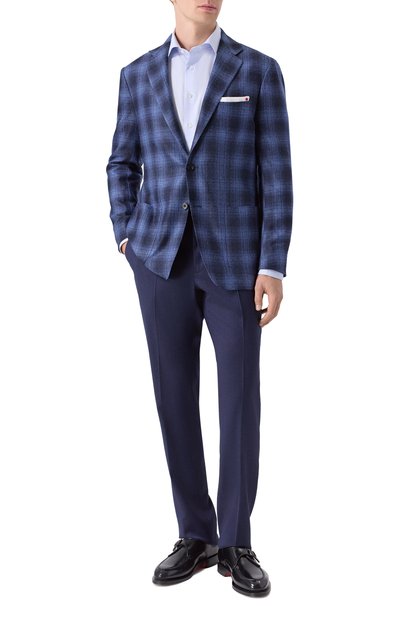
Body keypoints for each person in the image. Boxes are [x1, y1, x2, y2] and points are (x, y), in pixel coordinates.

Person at [106, 0, 293, 598]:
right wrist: (128, 236)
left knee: (239, 397)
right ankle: (196, 534)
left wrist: (272, 264)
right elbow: (121, 162)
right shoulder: (137, 75)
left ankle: (236, 541)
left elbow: (276, 173)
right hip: (160, 259)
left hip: (237, 261)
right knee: (173, 396)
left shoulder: (258, 70)